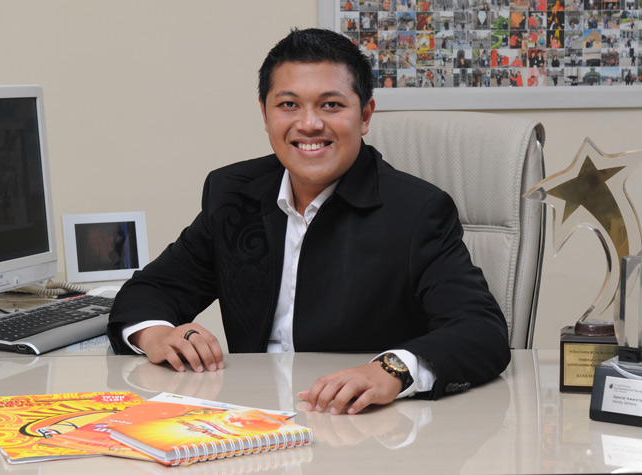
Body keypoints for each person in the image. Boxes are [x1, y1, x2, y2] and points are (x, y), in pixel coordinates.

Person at [107, 28, 511, 416]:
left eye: (331, 105)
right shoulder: (234, 194)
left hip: (361, 427)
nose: (309, 124)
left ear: (365, 115)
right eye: (288, 105)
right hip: (252, 420)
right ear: (265, 114)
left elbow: (480, 330)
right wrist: (159, 335)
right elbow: (150, 290)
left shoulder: (417, 210)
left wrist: (390, 371)